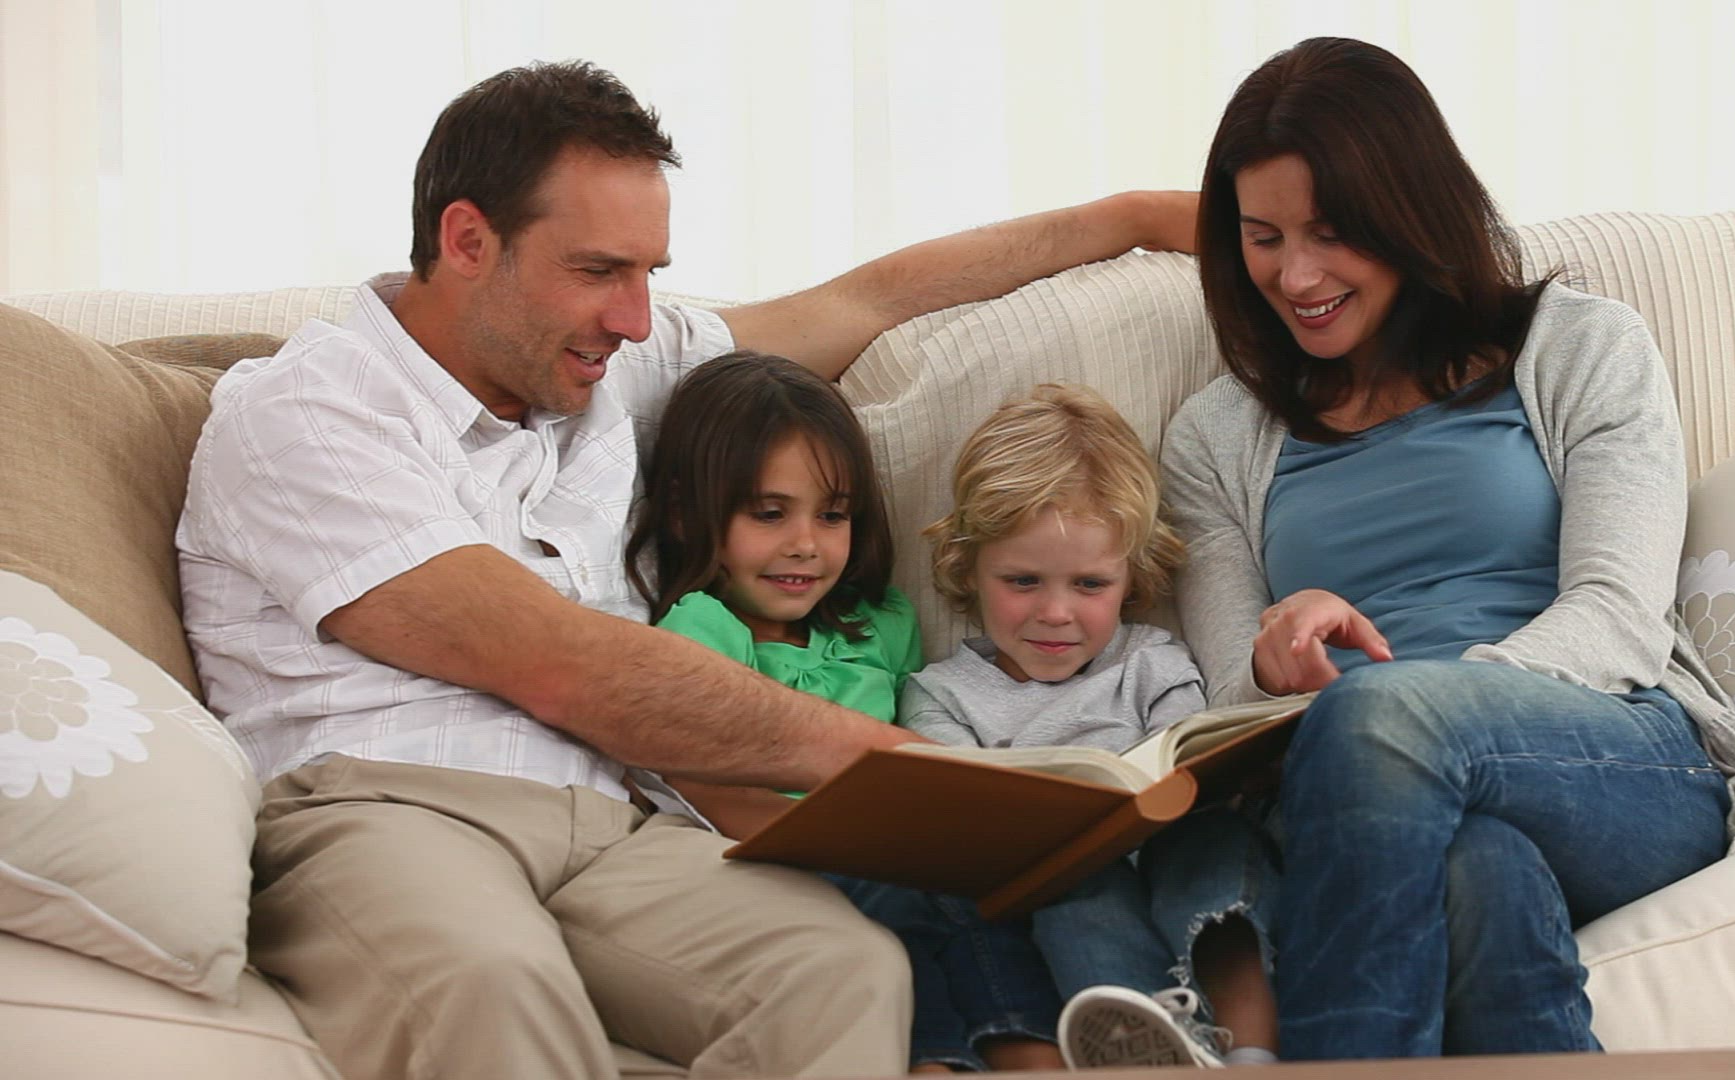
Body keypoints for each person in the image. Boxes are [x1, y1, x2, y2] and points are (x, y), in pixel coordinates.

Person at [175, 60, 1195, 1080]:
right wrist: (922, 774)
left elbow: (871, 297)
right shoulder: (307, 413)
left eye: (649, 273)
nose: (633, 318)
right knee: (492, 978)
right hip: (388, 807)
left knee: (841, 970)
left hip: (617, 825)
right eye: (598, 271)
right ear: (468, 240)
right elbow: (565, 664)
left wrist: (1137, 216)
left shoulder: (604, 367)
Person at [1153, 37, 1735, 1060]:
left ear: (1410, 211)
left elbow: (1618, 616)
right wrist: (1275, 663)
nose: (1296, 275)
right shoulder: (1212, 437)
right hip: (1356, 801)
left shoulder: (1586, 347)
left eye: (1331, 233)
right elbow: (1233, 699)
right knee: (1481, 873)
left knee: (1383, 718)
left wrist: (1428, 710)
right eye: (1263, 237)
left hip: (1609, 759)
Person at [625, 350, 1066, 1073]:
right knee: (898, 910)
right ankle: (941, 1060)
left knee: (982, 904)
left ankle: (1032, 1050)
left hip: (896, 850)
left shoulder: (880, 622)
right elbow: (702, 786)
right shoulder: (701, 630)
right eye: (769, 514)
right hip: (785, 863)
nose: (806, 544)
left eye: (832, 515)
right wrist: (832, 844)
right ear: (683, 512)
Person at [903, 385, 1283, 1070]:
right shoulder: (943, 695)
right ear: (968, 567)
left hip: (1172, 848)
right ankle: (1154, 1041)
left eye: (1089, 585)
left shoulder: (1153, 660)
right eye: (1023, 581)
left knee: (1215, 845)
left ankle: (1253, 1052)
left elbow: (1188, 755)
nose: (1056, 613)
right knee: (1074, 888)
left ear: (1130, 577)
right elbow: (962, 816)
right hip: (1062, 872)